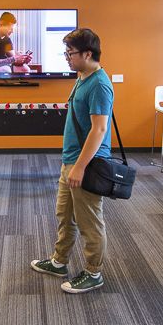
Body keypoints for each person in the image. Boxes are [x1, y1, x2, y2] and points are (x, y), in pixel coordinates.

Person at [29, 28, 114, 294]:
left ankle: (93, 272)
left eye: (71, 53)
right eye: (66, 52)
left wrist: (79, 166)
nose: (67, 57)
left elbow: (99, 129)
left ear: (88, 54)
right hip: (71, 162)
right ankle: (59, 261)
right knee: (65, 216)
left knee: (90, 222)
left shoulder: (99, 84)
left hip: (85, 165)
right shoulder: (82, 77)